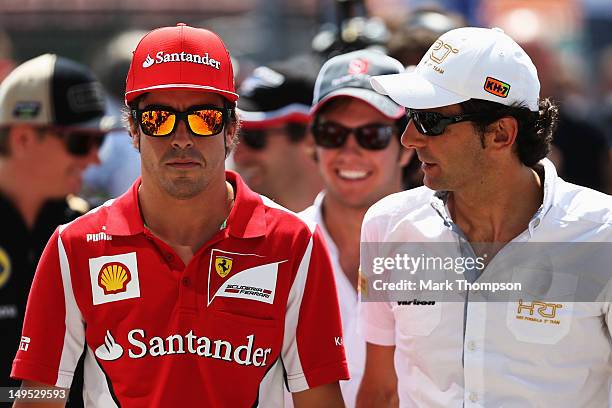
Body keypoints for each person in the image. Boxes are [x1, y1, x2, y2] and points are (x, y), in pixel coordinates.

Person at [11, 24, 348, 407]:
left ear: (232, 127)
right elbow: (40, 393)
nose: (182, 137)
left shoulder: (294, 243)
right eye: (159, 118)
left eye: (205, 118)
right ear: (134, 129)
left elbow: (319, 398)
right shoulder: (73, 246)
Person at [357, 27, 612, 407]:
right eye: (410, 116)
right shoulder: (388, 224)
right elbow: (380, 390)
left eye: (430, 121)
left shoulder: (601, 233)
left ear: (500, 134)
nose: (409, 138)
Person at [300, 49, 412, 407]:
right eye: (332, 132)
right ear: (312, 142)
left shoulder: (451, 244)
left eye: (372, 135)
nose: (350, 151)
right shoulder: (279, 248)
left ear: (407, 145)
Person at [0, 53, 112, 394]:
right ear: (23, 139)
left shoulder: (97, 234)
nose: (95, 158)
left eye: (101, 140)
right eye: (81, 142)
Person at [233, 55, 323, 211]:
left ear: (311, 141)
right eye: (233, 135)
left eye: (253, 137)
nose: (237, 155)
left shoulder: (372, 226)